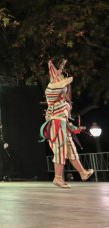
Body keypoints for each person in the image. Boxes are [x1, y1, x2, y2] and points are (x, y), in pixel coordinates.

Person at [40, 59, 94, 188]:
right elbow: (54, 85)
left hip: (63, 127)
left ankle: (83, 173)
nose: (65, 87)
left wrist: (75, 127)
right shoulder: (51, 95)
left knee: (71, 151)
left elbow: (65, 119)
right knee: (61, 150)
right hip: (57, 127)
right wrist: (57, 70)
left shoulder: (64, 103)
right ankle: (57, 178)